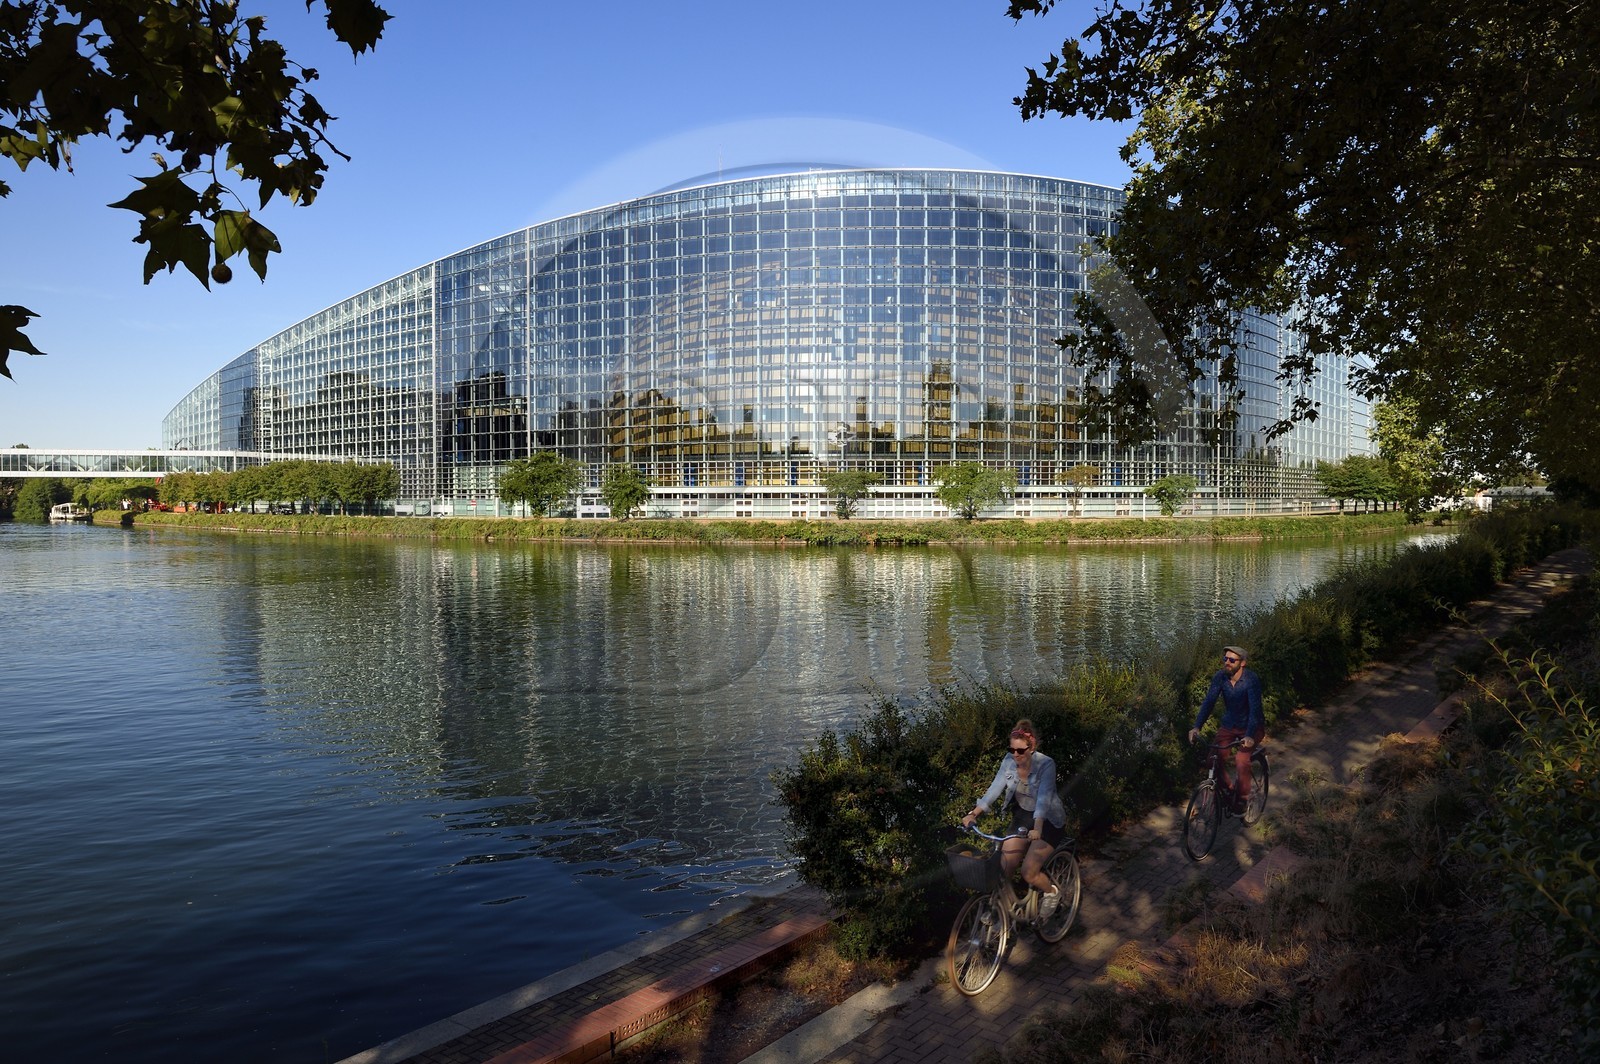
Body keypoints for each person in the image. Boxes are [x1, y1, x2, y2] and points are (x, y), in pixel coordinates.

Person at [961, 719, 1068, 917]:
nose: (1015, 755)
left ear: (1031, 747)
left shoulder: (1046, 764)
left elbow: (1043, 799)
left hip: (1048, 820)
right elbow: (994, 788)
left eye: (1020, 751)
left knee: (1029, 872)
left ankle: (1052, 893)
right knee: (1004, 866)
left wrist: (1037, 828)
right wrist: (973, 813)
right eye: (1012, 750)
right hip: (1023, 816)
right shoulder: (1009, 761)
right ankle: (1000, 910)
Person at [1188, 644, 1266, 814]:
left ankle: (1243, 799)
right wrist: (1196, 727)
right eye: (1225, 659)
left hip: (1252, 727)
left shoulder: (1251, 680)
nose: (1227, 663)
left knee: (1241, 760)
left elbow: (1254, 709)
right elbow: (1209, 702)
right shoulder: (1220, 677)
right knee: (1212, 760)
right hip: (1229, 725)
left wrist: (1250, 735)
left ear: (1242, 663)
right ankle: (1230, 790)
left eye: (1232, 660)